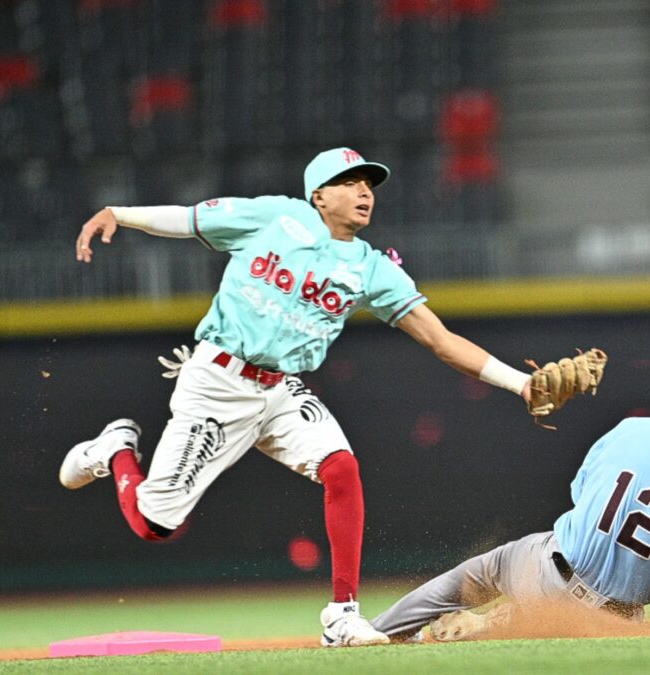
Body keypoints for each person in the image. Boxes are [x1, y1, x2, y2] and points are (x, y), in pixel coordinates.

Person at [59, 147, 592, 648]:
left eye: (369, 184)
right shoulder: (275, 218)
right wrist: (118, 214)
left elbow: (441, 339)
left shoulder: (371, 267)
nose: (364, 191)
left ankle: (342, 615)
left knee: (341, 468)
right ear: (319, 195)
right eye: (349, 182)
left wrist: (521, 384)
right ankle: (116, 449)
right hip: (219, 383)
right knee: (155, 525)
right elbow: (189, 217)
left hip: (281, 388)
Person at [369, 368, 650, 642]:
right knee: (569, 626)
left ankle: (374, 633)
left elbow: (583, 495)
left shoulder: (633, 428)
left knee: (463, 581)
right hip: (603, 618)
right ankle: (489, 627)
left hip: (543, 566)